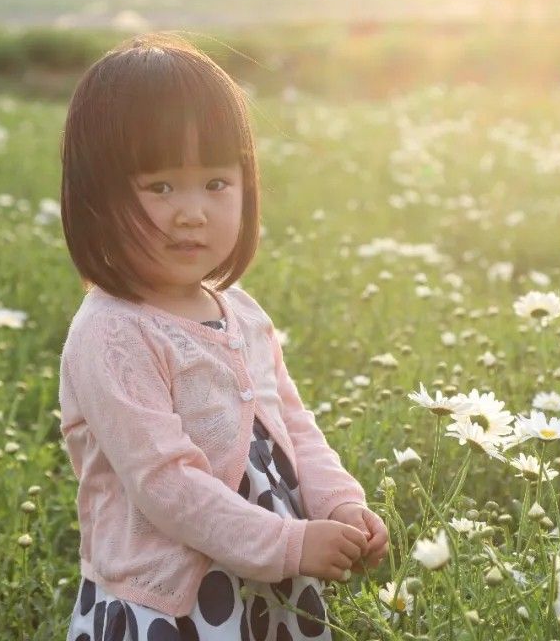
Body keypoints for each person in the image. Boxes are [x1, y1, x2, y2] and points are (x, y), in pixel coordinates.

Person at [57, 32, 389, 641]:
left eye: (216, 183)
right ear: (96, 198)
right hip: (169, 604)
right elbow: (165, 484)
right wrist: (286, 544)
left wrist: (340, 503)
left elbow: (295, 427)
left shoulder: (240, 310)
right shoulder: (112, 333)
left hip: (268, 590)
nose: (193, 212)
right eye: (160, 186)